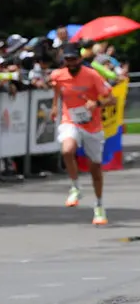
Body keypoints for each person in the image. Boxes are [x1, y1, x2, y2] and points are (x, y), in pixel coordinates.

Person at [49, 43, 115, 225]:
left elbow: (112, 99)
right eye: (67, 60)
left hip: (92, 126)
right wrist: (55, 106)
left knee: (95, 170)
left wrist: (97, 104)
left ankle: (99, 206)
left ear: (80, 59)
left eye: (73, 59)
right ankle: (75, 187)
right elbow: (57, 89)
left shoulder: (92, 75)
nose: (70, 63)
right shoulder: (58, 75)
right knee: (67, 150)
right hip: (70, 121)